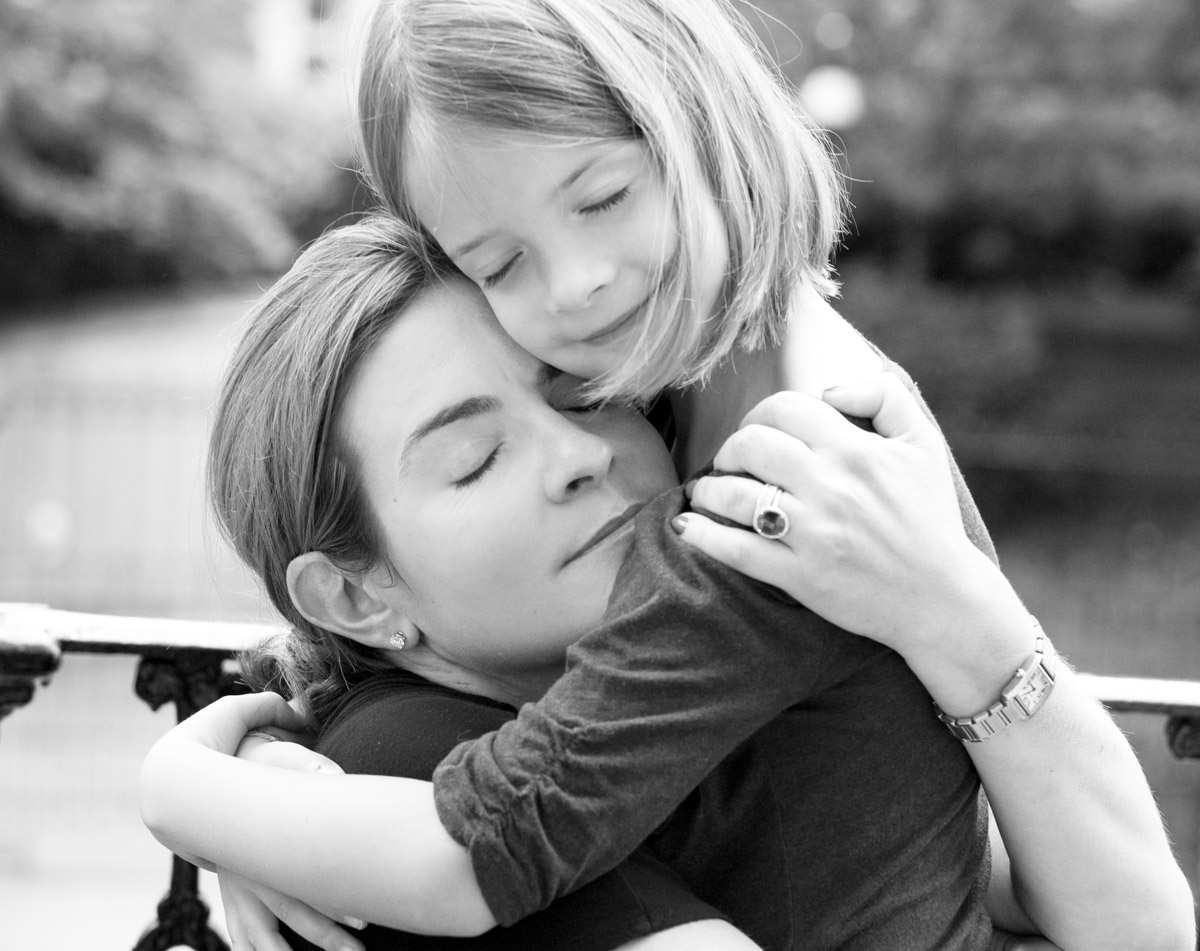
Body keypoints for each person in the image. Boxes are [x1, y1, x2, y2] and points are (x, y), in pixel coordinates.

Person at [145, 0, 1194, 948]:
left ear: (700, 123)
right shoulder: (683, 385)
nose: (578, 284)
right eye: (499, 264)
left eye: (601, 196)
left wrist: (190, 793)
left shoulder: (782, 492)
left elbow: (471, 855)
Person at [147, 216, 994, 950]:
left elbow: (1002, 884)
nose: (580, 456)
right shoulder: (404, 767)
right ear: (355, 598)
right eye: (476, 460)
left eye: (586, 395)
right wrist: (186, 794)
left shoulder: (663, 687)